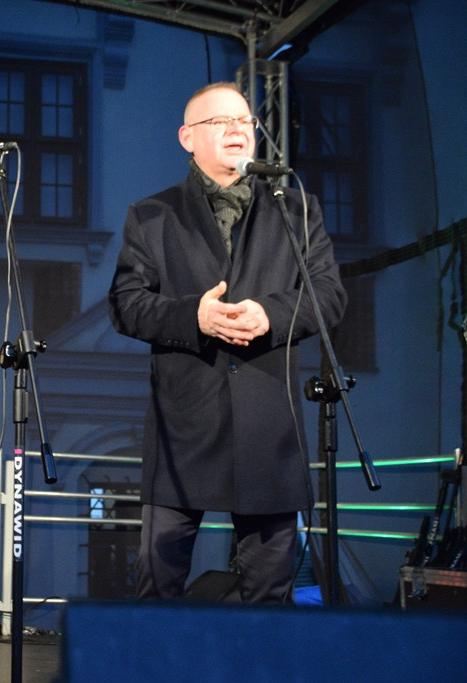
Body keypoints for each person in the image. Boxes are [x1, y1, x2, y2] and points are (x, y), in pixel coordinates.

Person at [107, 82, 346, 603]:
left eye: (246, 121)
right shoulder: (151, 214)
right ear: (187, 137)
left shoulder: (296, 208)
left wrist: (272, 314)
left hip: (268, 422)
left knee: (269, 591)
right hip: (184, 424)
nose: (238, 129)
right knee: (159, 585)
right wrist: (195, 315)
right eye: (221, 122)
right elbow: (125, 303)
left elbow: (328, 295)